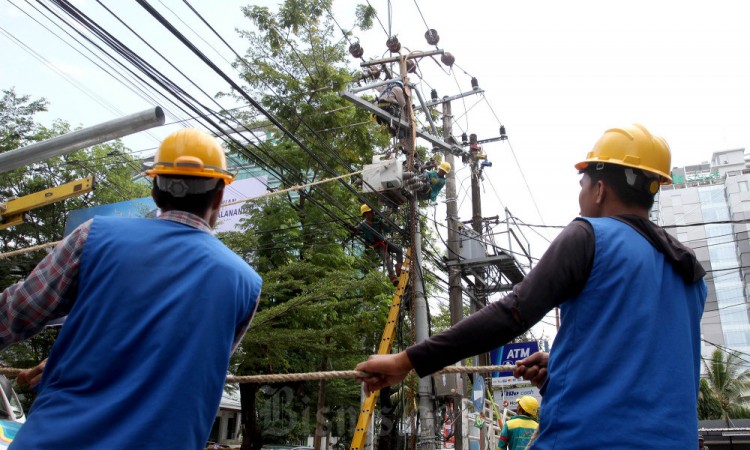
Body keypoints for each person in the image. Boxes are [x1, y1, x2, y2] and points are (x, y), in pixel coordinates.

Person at [356, 124, 707, 449]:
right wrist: (559, 371)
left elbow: (513, 313)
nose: (581, 195)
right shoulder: (689, 271)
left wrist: (407, 360)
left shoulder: (590, 236)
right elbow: (643, 363)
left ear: (599, 189)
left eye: (582, 184)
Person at [0, 128, 262, 449]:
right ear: (220, 195)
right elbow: (187, 360)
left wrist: (71, 358)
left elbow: (16, 312)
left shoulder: (94, 234)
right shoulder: (245, 282)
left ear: (155, 190)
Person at [353, 204, 403, 285]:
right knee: (387, 259)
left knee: (399, 250)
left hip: (384, 241)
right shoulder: (363, 225)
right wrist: (352, 228)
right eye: (369, 212)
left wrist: (389, 224)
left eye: (371, 212)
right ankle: (392, 277)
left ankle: (399, 268)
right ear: (365, 215)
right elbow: (356, 229)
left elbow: (387, 230)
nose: (371, 214)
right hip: (378, 245)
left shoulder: (378, 220)